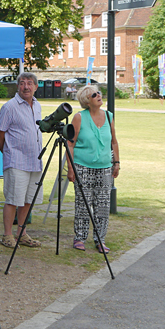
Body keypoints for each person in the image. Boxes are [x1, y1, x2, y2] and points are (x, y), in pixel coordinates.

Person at [67, 85, 120, 253]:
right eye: (94, 95)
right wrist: (70, 167)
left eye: (99, 93)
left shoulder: (109, 116)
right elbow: (70, 143)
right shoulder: (79, 117)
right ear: (87, 101)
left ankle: (100, 239)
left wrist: (116, 162)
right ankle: (80, 237)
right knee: (83, 204)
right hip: (82, 167)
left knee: (103, 205)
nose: (99, 96)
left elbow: (114, 142)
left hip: (105, 168)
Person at [0, 72, 43, 248]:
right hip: (16, 161)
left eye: (30, 83)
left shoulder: (37, 105)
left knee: (28, 199)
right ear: (17, 86)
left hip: (35, 161)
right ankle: (7, 235)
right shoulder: (10, 107)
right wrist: (9, 152)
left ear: (36, 87)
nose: (26, 87)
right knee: (13, 199)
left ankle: (21, 233)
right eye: (22, 83)